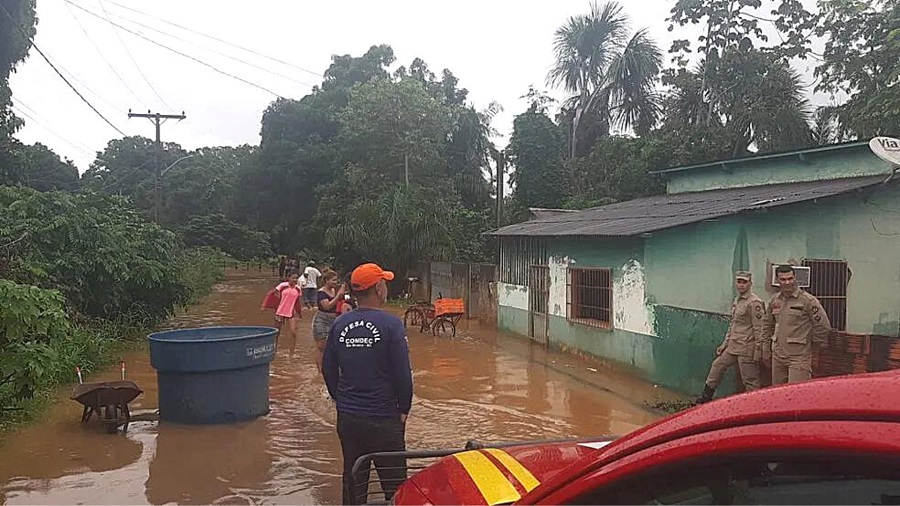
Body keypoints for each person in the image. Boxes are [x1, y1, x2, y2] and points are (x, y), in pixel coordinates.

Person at [322, 263, 412, 505]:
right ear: (379, 288)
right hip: (384, 418)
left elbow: (328, 369)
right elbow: (403, 373)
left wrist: (340, 399)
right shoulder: (392, 325)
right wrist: (404, 409)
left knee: (354, 479)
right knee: (395, 485)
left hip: (349, 418)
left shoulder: (340, 324)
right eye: (384, 283)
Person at [697, 271, 766, 403]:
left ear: (750, 284)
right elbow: (733, 324)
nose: (741, 285)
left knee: (750, 380)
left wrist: (759, 350)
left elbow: (759, 329)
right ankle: (705, 397)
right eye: (739, 282)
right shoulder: (738, 300)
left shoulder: (754, 303)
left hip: (747, 348)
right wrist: (724, 344)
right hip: (733, 346)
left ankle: (754, 406)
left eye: (744, 282)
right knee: (717, 366)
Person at [762, 264, 833, 385]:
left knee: (797, 394)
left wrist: (813, 346)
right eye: (783, 279)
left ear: (795, 278)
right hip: (778, 356)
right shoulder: (775, 300)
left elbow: (823, 326)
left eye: (790, 278)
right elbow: (767, 325)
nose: (787, 282)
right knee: (777, 394)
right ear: (778, 281)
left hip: (799, 357)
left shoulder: (808, 301)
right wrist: (765, 350)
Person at [311, 269, 346, 373]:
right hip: (322, 320)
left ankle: (330, 368)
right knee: (321, 347)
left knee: (333, 345)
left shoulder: (333, 291)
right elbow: (327, 306)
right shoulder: (321, 292)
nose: (336, 282)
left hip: (333, 319)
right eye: (333, 280)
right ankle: (320, 372)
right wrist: (338, 296)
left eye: (336, 280)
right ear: (326, 281)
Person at [273, 270, 303, 357]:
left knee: (293, 332)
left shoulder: (298, 288)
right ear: (288, 278)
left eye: (296, 278)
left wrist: (299, 312)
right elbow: (273, 295)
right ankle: (274, 350)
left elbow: (297, 302)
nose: (295, 280)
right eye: (293, 278)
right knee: (277, 332)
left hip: (291, 313)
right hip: (280, 312)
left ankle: (291, 353)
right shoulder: (282, 286)